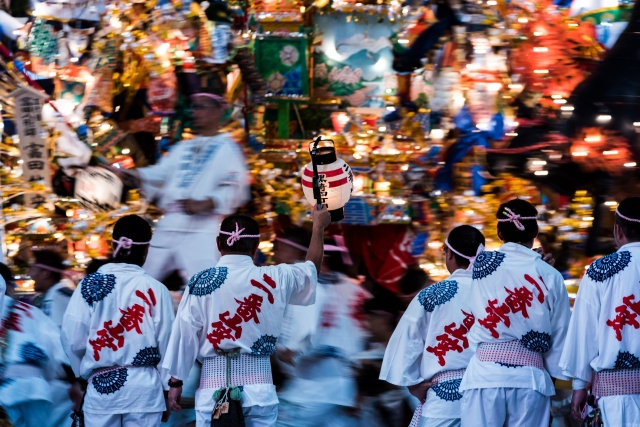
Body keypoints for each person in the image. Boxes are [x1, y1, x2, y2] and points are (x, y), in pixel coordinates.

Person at [164, 206, 332, 427]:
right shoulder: (275, 277)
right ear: (256, 248)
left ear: (218, 244)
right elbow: (311, 270)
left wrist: (175, 383)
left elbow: (184, 335)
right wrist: (318, 227)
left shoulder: (200, 281)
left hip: (213, 391)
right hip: (260, 390)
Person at [112, 91, 250, 282]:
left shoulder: (228, 148)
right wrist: (132, 174)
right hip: (169, 224)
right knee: (140, 281)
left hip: (201, 231)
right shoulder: (183, 148)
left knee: (207, 289)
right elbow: (158, 175)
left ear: (217, 111)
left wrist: (204, 204)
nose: (194, 112)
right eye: (193, 107)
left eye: (201, 107)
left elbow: (235, 187)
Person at [459, 199, 571, 427]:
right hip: (530, 380)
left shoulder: (480, 265)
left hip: (484, 376)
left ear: (499, 232)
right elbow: (560, 338)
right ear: (536, 232)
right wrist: (563, 390)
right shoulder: (550, 275)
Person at [61, 215, 175, 427]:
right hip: (145, 391)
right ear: (146, 250)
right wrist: (167, 389)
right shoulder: (157, 289)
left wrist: (82, 374)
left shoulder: (88, 286)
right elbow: (167, 342)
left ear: (112, 245)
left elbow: (72, 337)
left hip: (101, 390)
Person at [380, 225, 485, 427]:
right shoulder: (497, 292)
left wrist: (412, 384)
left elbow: (406, 340)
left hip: (444, 400)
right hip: (491, 394)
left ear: (450, 256)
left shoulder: (430, 295)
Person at [559, 196, 640, 425]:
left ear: (618, 230)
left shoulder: (600, 270)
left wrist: (578, 386)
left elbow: (585, 330)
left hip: (617, 399)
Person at [276, 238, 370, 427]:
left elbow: (313, 339)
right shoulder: (355, 289)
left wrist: (293, 350)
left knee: (274, 423)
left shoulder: (312, 288)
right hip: (335, 385)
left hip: (321, 384)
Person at [0, 263, 81, 427]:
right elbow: (60, 356)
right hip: (31, 394)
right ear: (6, 285)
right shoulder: (30, 312)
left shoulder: (56, 295)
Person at [29, 249, 75, 328]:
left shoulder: (61, 295)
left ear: (45, 274)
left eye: (32, 269)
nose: (30, 274)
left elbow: (61, 333)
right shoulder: (54, 292)